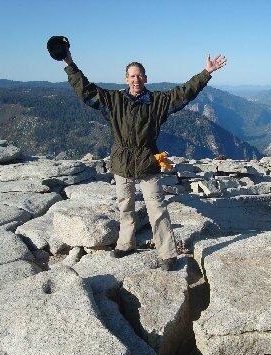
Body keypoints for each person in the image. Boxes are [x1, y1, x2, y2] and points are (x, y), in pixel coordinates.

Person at [62, 47, 227, 270]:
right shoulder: (113, 100)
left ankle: (168, 254)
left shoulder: (159, 101)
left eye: (139, 75)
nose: (136, 79)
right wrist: (70, 64)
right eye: (132, 76)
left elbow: (185, 92)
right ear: (126, 79)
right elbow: (86, 91)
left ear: (146, 78)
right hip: (122, 161)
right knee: (125, 206)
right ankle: (126, 243)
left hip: (148, 159)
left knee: (157, 208)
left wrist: (206, 73)